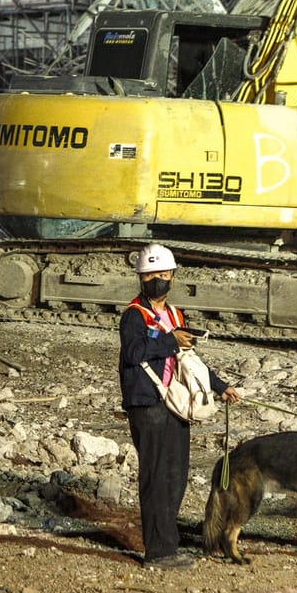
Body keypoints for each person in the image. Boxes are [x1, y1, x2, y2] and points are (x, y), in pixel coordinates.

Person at [117, 243, 239, 569]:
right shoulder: (134, 316)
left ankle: (168, 544)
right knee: (156, 478)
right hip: (148, 403)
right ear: (142, 279)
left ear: (172, 276)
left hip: (174, 403)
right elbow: (133, 352)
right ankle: (157, 552)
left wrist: (220, 386)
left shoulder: (174, 314)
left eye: (162, 273)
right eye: (151, 274)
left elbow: (190, 362)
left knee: (175, 476)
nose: (157, 278)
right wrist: (171, 340)